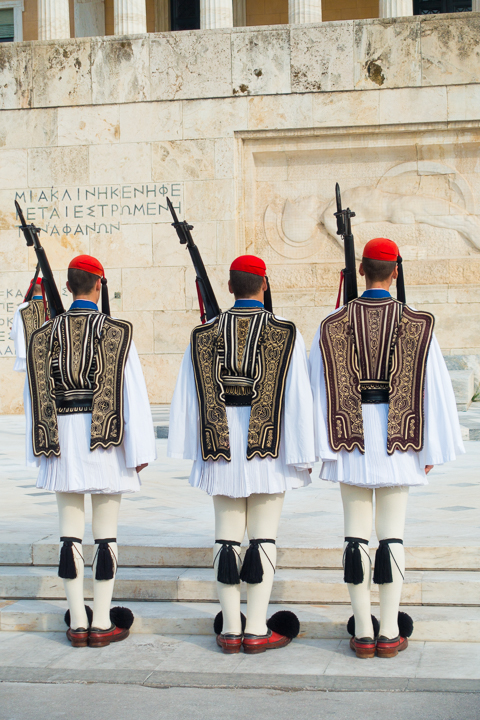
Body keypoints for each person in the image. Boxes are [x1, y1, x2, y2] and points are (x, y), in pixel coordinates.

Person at [309, 238, 465, 659]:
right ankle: (390, 631)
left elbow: (315, 388)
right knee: (391, 538)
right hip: (401, 442)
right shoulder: (419, 323)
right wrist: (431, 449)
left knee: (355, 538)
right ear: (395, 272)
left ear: (360, 271)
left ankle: (362, 632)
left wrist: (321, 447)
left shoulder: (331, 324)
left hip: (349, 442)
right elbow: (434, 388)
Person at [168, 255, 315, 654]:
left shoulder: (203, 334)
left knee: (226, 539)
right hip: (269, 451)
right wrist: (305, 451)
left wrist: (191, 448)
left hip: (221, 450)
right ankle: (256, 630)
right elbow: (299, 397)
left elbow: (188, 396)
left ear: (230, 288)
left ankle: (230, 629)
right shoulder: (286, 332)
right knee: (263, 537)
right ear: (264, 285)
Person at [25, 255, 156, 648]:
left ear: (68, 287)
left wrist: (42, 446)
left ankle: (76, 621)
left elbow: (35, 396)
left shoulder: (44, 334)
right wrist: (141, 448)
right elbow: (133, 393)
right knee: (106, 537)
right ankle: (101, 622)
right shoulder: (117, 332)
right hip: (107, 441)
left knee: (69, 535)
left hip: (62, 443)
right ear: (99, 285)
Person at [10, 276, 48, 373]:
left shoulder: (22, 308)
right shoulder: (50, 307)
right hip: (47, 356)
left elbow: (14, 333)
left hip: (29, 356)